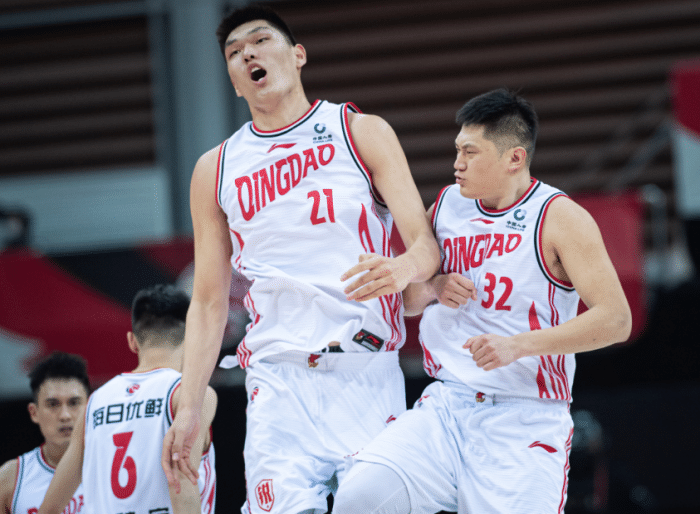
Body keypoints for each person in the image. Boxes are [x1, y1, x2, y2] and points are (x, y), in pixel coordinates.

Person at [161, 4, 440, 514]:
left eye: (260, 41)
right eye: (234, 53)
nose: (248, 54)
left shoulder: (360, 131)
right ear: (235, 82)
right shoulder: (215, 169)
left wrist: (401, 269)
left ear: (298, 55)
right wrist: (189, 405)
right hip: (277, 379)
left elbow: (426, 247)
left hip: (365, 368)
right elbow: (208, 303)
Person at [332, 88, 633, 514]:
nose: (457, 163)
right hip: (446, 407)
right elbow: (410, 303)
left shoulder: (560, 217)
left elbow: (616, 320)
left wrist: (518, 345)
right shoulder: (447, 206)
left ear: (514, 158)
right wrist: (433, 286)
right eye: (457, 150)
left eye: (470, 152)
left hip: (524, 417)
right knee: (358, 498)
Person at [38, 285, 218, 514]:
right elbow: (181, 483)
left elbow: (50, 508)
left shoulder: (94, 403)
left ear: (132, 341)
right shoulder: (189, 395)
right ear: (192, 337)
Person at [0, 352, 90, 514]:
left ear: (90, 407)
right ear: (34, 412)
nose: (65, 415)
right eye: (53, 404)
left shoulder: (112, 467)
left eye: (74, 403)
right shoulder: (10, 478)